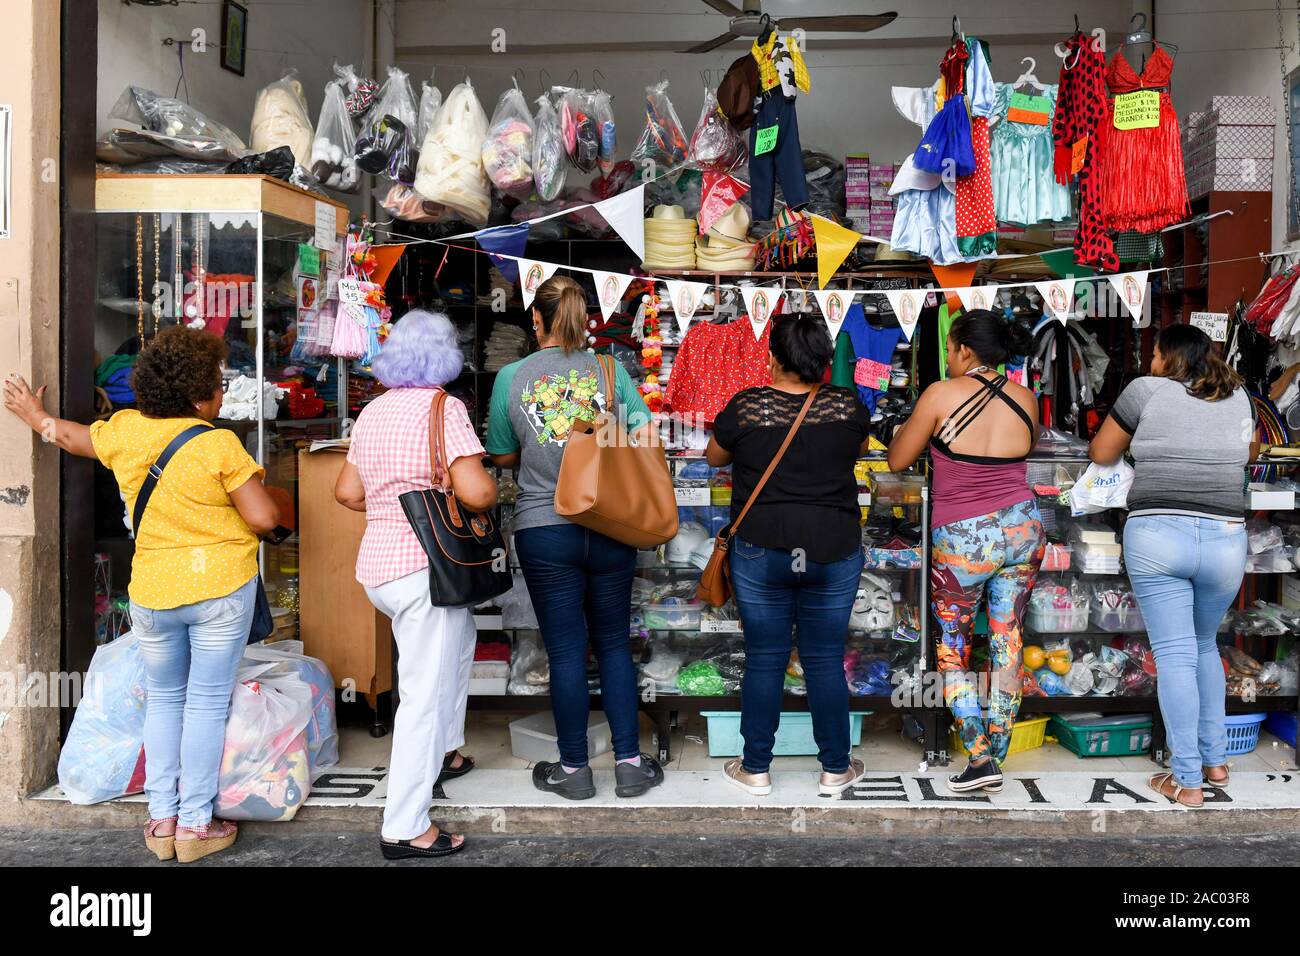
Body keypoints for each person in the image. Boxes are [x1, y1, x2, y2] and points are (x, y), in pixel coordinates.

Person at [5, 327, 284, 862]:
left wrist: (33, 416)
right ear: (199, 394)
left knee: (165, 700)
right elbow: (264, 517)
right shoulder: (218, 444)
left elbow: (72, 437)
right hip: (219, 589)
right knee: (204, 704)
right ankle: (197, 825)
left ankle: (163, 822)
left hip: (154, 592)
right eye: (219, 385)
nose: (222, 394)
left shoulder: (127, 432)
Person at [485, 275, 665, 800]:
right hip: (610, 525)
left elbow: (502, 455)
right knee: (613, 646)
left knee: (565, 652)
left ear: (535, 321)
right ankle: (630, 764)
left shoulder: (511, 378)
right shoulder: (610, 370)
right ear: (587, 320)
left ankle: (574, 771)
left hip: (545, 526)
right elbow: (645, 435)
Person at [334, 310, 497, 859]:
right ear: (445, 357)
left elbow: (347, 492)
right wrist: (483, 484)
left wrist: (391, 499)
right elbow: (475, 494)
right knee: (421, 698)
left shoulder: (372, 410)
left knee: (457, 649)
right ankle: (404, 826)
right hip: (428, 568)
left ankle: (447, 753)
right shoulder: (443, 408)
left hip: (380, 568)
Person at [706, 312, 873, 797]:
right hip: (833, 548)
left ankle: (755, 768)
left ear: (773, 356)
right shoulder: (846, 406)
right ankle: (835, 770)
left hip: (762, 549)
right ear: (823, 360)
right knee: (823, 658)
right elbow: (858, 449)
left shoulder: (747, 407)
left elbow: (715, 457)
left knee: (765, 658)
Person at [1090, 324, 1251, 808]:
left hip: (1159, 535)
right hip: (1226, 539)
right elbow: (1247, 453)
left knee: (1177, 654)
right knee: (1205, 645)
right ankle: (1215, 761)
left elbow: (1101, 453)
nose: (1151, 362)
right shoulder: (1239, 395)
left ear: (1167, 358)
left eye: (1155, 354)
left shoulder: (1145, 390)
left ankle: (1187, 781)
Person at [887, 309, 1043, 794]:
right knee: (1006, 642)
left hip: (963, 540)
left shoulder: (939, 394)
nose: (949, 358)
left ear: (965, 351)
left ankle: (978, 758)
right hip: (1024, 529)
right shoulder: (1027, 399)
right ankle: (996, 753)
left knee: (952, 649)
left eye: (951, 349)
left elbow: (897, 459)